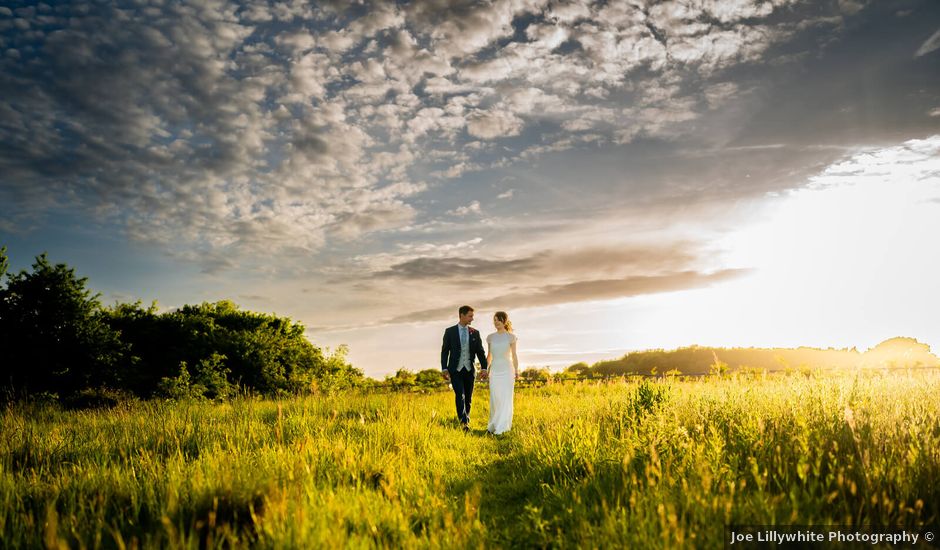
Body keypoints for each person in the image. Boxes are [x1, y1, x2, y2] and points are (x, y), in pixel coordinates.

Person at [441, 305, 488, 430]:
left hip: (469, 370)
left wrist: (484, 368)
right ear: (461, 315)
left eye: (472, 316)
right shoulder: (449, 332)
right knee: (460, 395)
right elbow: (445, 351)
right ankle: (463, 423)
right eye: (470, 316)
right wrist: (444, 368)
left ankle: (466, 418)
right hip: (455, 370)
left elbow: (480, 352)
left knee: (468, 397)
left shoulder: (475, 333)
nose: (472, 319)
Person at [486, 311, 519, 435]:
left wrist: (516, 370)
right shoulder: (490, 337)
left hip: (507, 370)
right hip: (494, 371)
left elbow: (514, 355)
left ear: (504, 321)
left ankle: (503, 426)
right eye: (494, 320)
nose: (496, 322)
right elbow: (489, 356)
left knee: (505, 398)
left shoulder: (511, 337)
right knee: (495, 397)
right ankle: (493, 424)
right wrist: (485, 369)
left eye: (498, 320)